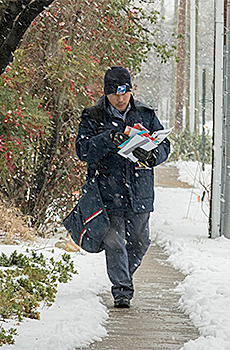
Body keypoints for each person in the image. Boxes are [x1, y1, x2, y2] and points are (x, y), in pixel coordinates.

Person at [75, 66, 170, 308]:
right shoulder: (93, 117)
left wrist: (152, 155)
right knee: (115, 241)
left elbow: (164, 145)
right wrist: (108, 139)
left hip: (140, 189)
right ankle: (122, 290)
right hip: (107, 190)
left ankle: (123, 277)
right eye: (115, 94)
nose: (120, 99)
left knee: (139, 240)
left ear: (130, 90)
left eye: (124, 93)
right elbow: (82, 150)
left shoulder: (145, 115)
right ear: (106, 93)